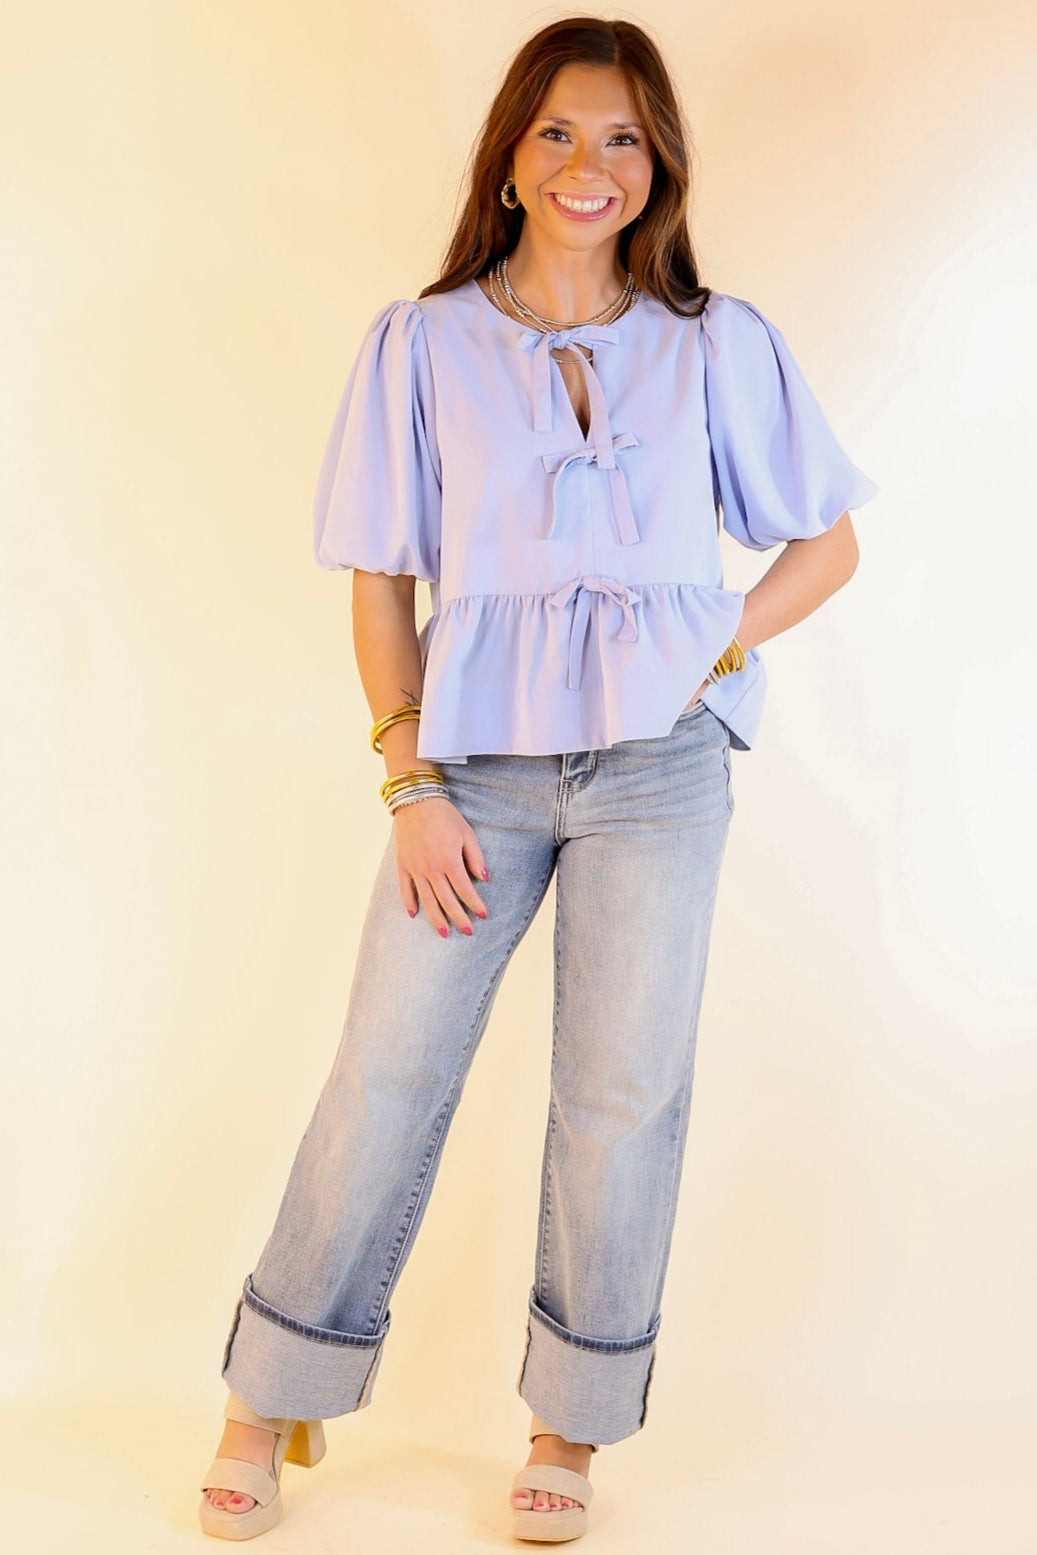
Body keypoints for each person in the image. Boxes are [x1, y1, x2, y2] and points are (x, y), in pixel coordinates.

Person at [198, 14, 878, 1544]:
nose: (590, 165)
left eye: (623, 137)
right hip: (475, 775)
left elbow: (824, 543)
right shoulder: (422, 342)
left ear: (660, 165)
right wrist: (409, 780)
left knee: (621, 1096)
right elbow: (379, 582)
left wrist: (713, 640)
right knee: (385, 1075)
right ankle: (268, 1395)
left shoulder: (718, 341)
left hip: (659, 774)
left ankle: (567, 1432)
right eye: (560, 133)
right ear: (510, 155)